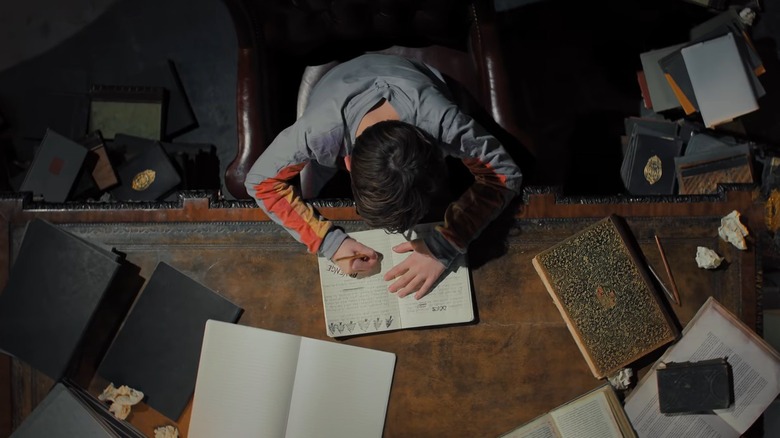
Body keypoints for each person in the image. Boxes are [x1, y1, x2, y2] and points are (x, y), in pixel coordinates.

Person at [245, 53, 523, 300]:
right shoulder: (318, 134)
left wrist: (447, 244)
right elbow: (259, 181)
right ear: (349, 163)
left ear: (440, 156)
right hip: (336, 83)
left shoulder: (444, 124)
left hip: (414, 75)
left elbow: (504, 173)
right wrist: (329, 243)